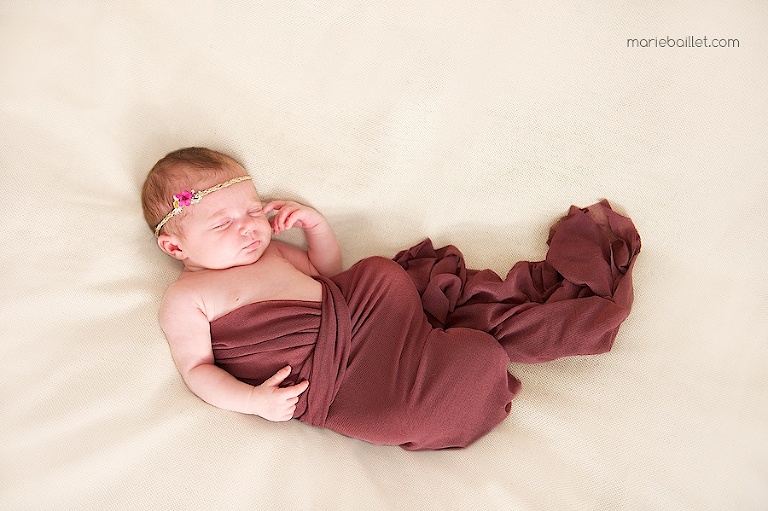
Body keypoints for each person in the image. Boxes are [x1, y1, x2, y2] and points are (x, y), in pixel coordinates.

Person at [142, 147, 641, 450]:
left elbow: (332, 281)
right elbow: (197, 371)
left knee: (378, 275)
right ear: (174, 246)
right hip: (335, 383)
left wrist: (315, 227)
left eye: (252, 211)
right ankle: (437, 393)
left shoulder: (274, 253)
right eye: (224, 223)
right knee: (463, 365)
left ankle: (430, 350)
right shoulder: (187, 298)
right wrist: (252, 400)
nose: (249, 227)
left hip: (373, 328)